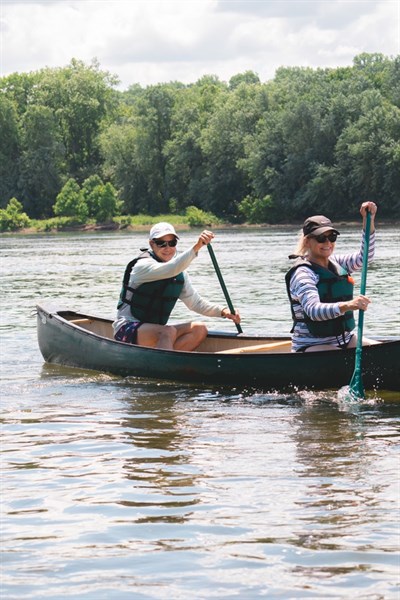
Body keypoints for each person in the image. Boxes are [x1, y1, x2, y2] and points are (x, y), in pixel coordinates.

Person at [113, 222, 241, 351]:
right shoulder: (142, 266)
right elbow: (172, 268)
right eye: (161, 243)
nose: (167, 248)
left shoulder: (179, 273)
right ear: (152, 244)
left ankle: (162, 363)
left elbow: (196, 303)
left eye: (172, 243)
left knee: (199, 328)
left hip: (155, 331)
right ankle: (165, 367)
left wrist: (224, 311)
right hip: (126, 329)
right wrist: (197, 247)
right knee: (168, 332)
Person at [285, 201, 379, 352]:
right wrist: (348, 305)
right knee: (340, 357)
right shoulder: (303, 273)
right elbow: (313, 311)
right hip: (311, 346)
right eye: (321, 238)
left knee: (380, 351)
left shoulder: (337, 263)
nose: (328, 242)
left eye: (332, 237)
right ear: (307, 241)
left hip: (345, 339)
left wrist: (369, 221)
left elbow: (365, 257)